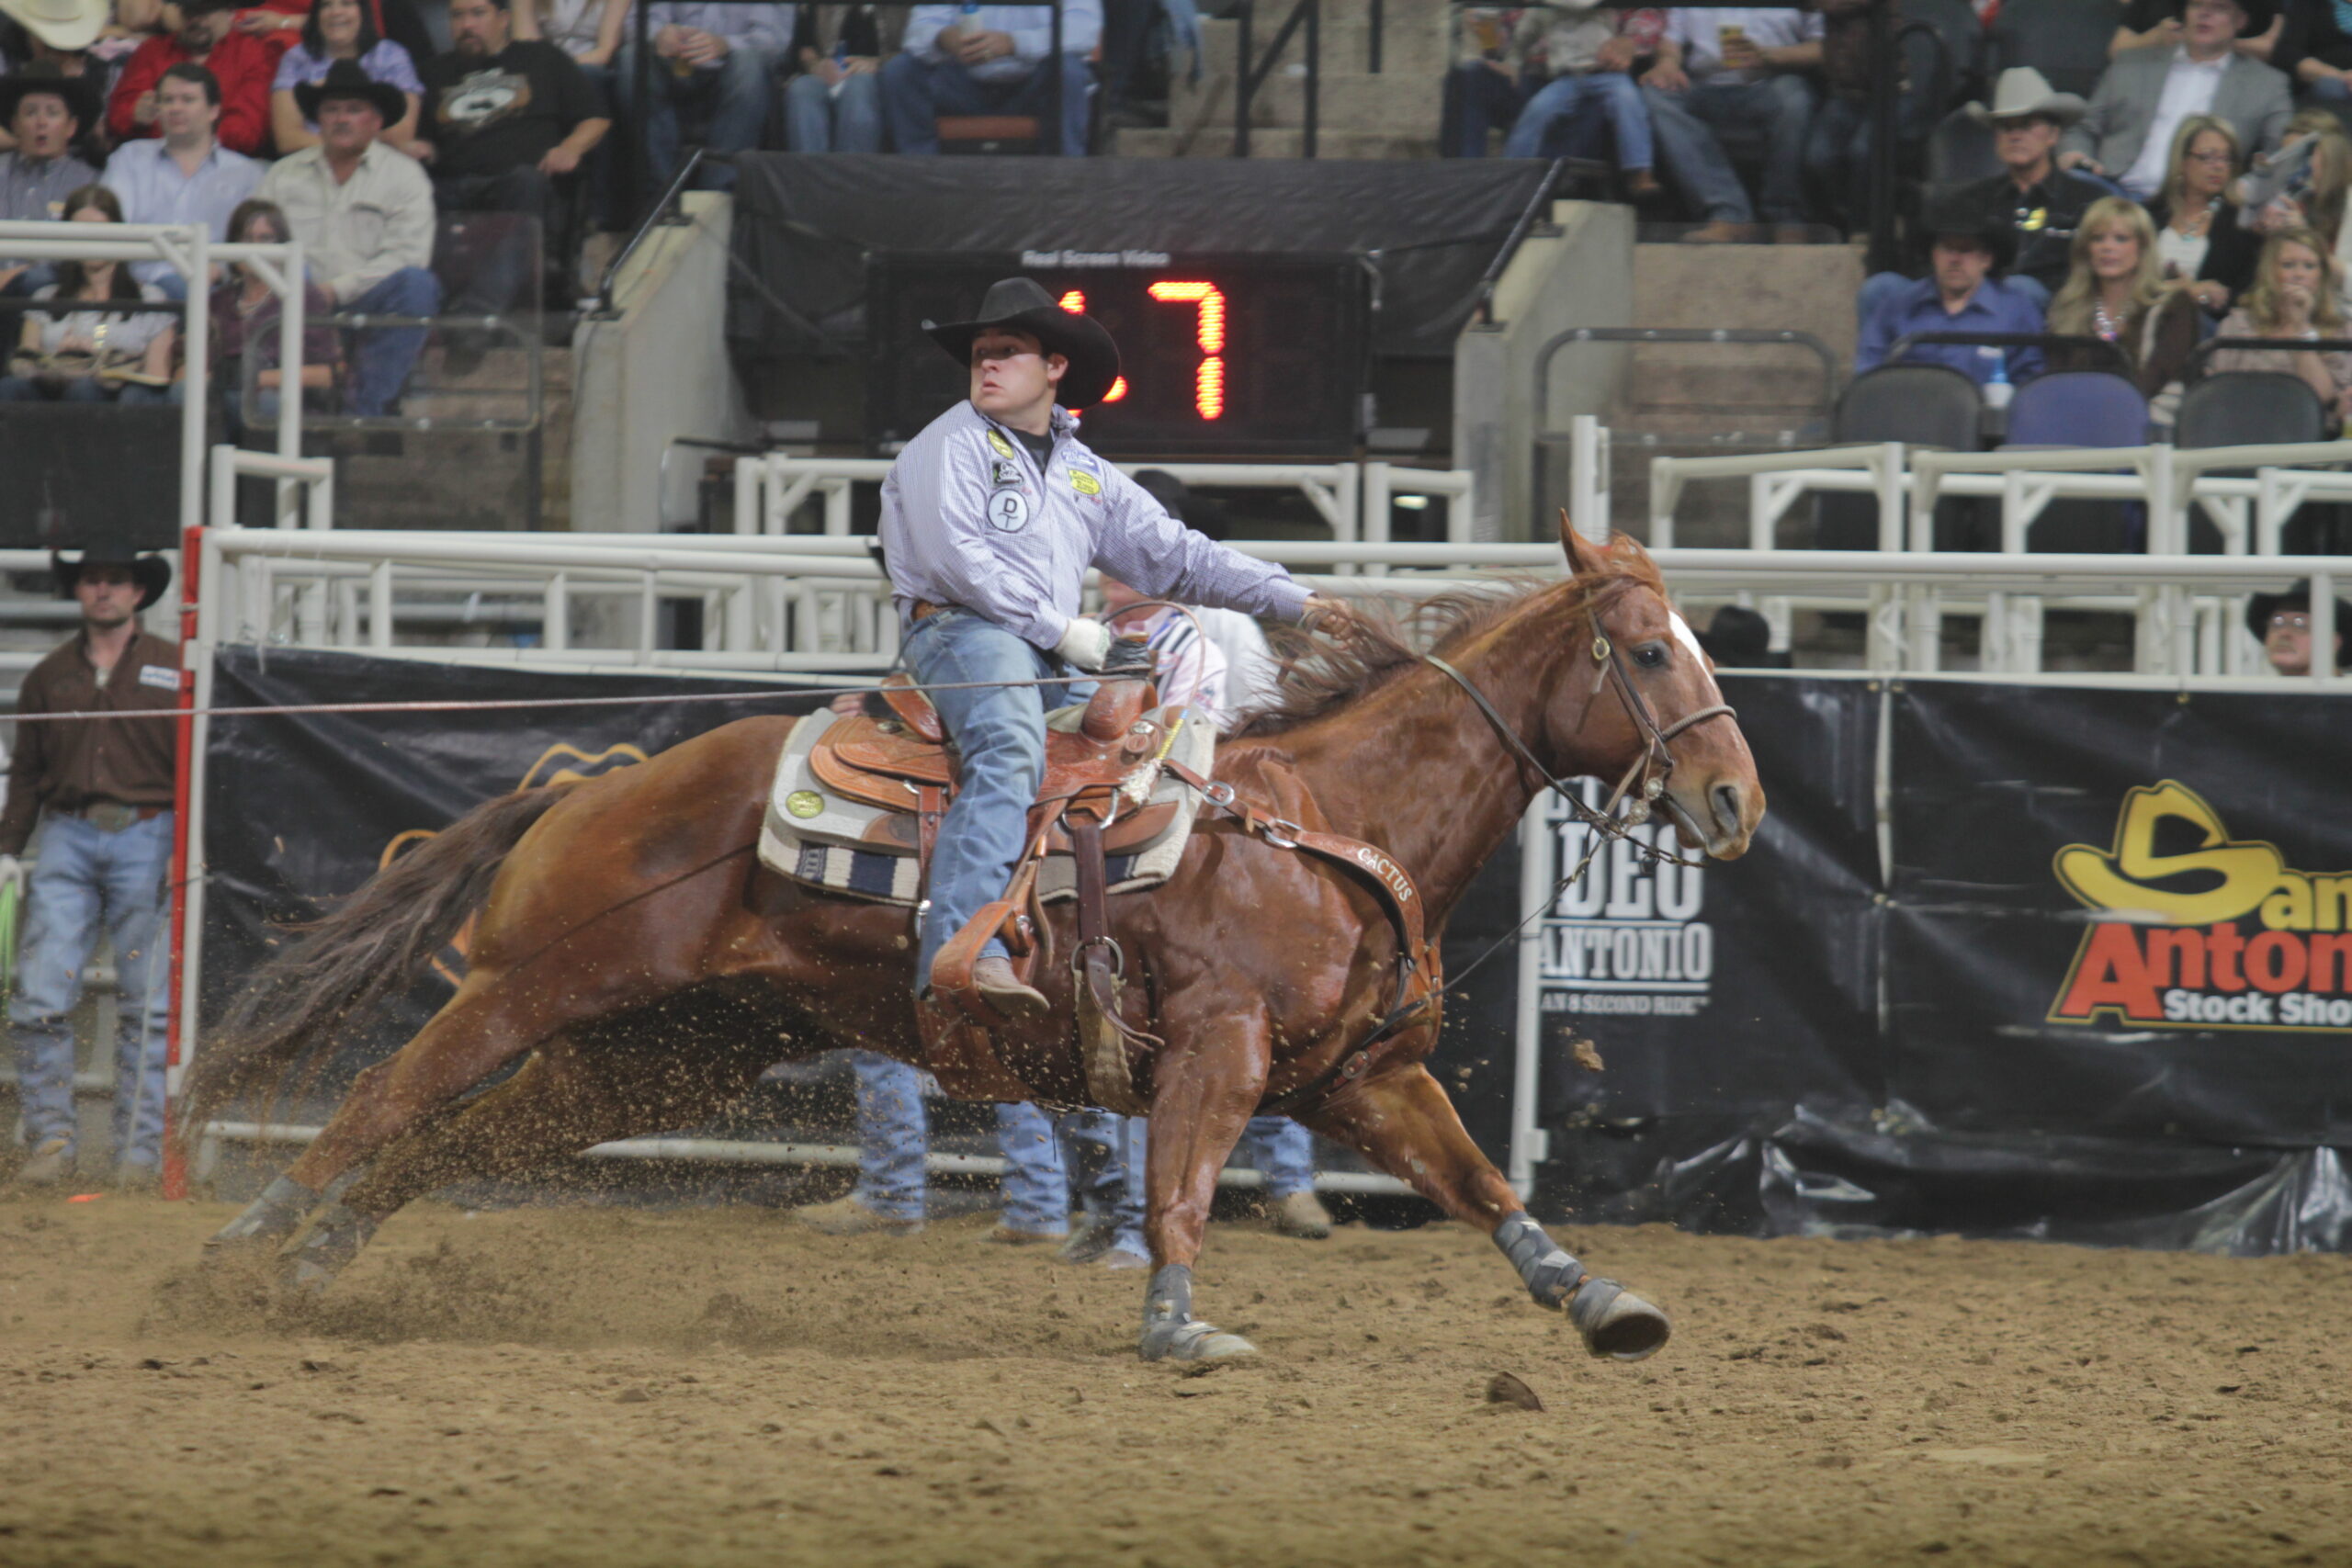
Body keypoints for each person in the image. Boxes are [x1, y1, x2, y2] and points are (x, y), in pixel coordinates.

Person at [876, 275, 1345, 1019]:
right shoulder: (947, 446)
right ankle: (959, 949)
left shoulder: (1085, 475)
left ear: (1055, 367)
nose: (987, 366)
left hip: (1045, 652)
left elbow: (1181, 556)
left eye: (1007, 351)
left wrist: (1299, 601)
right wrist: (1062, 630)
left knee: (1147, 751)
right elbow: (957, 561)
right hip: (963, 631)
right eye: (980, 356)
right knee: (1007, 747)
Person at [1, 548, 180, 1191]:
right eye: (92, 580)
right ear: (80, 590)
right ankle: (54, 1140)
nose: (103, 590)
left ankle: (136, 1156)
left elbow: (198, 761)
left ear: (136, 591)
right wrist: (6, 848)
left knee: (149, 1004)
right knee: (42, 994)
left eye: (115, 580)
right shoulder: (51, 675)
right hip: (69, 832)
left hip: (150, 831)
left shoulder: (172, 667)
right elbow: (25, 773)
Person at [258, 61, 438, 416]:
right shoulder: (282, 175)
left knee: (418, 285)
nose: (342, 118)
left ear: (375, 120)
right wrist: (300, 293)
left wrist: (334, 291)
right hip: (291, 304)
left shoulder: (405, 176)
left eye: (354, 110)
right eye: (331, 109)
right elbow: (253, 242)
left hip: (366, 304)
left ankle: (364, 414)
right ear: (318, 119)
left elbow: (408, 256)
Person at [415, 0, 607, 319]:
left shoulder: (542, 59)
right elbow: (421, 137)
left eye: (478, 13)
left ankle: (480, 310)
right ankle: (424, 306)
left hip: (520, 183)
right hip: (452, 185)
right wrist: (419, 146)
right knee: (411, 190)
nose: (467, 25)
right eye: (457, 16)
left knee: (524, 181)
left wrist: (570, 147)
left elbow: (596, 118)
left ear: (503, 18)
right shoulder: (432, 72)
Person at [2060, 0, 2290, 199]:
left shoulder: (2267, 84)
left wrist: (2246, 188)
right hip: (2114, 193)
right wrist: (2077, 157)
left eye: (2219, 7)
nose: (2204, 13)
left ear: (2240, 20)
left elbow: (2283, 155)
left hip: (2203, 209)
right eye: (2196, 4)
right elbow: (2083, 129)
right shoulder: (2130, 64)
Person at [1640, 6, 1823, 243]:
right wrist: (1667, 61)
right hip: (1705, 87)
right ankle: (1730, 215)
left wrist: (1769, 56)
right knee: (1657, 93)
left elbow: (1822, 47)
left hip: (1772, 81)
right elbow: (1671, 39)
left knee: (1794, 98)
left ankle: (1786, 219)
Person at [1943, 68, 2106, 310]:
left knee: (2022, 289)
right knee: (1882, 287)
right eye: (2006, 127)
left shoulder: (2089, 200)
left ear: (2053, 134)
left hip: (2057, 314)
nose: (2015, 135)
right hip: (1977, 309)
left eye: (2027, 125)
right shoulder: (1970, 201)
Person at [0, 184, 179, 403]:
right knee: (10, 388)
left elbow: (156, 377)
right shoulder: (45, 298)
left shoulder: (151, 300)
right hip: (52, 394)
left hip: (117, 405)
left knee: (85, 389)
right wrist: (56, 359)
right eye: (81, 231)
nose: (91, 240)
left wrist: (103, 363)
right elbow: (23, 364)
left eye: (99, 230)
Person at [101, 63, 263, 299]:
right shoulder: (129, 158)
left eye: (187, 100)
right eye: (167, 100)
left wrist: (222, 269)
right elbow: (109, 227)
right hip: (133, 287)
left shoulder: (245, 173)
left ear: (213, 111)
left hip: (214, 290)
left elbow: (255, 243)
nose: (175, 108)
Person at [612, 2, 795, 192]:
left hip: (732, 69)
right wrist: (660, 34)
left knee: (748, 64)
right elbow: (636, 24)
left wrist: (725, 44)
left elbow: (775, 42)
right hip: (674, 67)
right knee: (632, 58)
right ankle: (662, 194)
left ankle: (715, 194)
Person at [1494, 1, 1665, 203]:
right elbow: (1524, 34)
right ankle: (1512, 173)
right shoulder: (1541, 11)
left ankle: (1640, 170)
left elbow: (1581, 4)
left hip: (1606, 72)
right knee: (1537, 109)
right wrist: (1513, 61)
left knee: (1629, 101)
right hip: (1566, 77)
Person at [880, 2, 1100, 158]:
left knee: (1068, 71)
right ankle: (919, 175)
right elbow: (919, 28)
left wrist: (1014, 43)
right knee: (901, 70)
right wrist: (942, 37)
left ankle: (1064, 181)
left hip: (1034, 85)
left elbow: (1083, 32)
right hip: (963, 85)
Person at [1855, 204, 2046, 383]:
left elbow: (2031, 382)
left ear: (1986, 260)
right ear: (1933, 255)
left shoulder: (2016, 310)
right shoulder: (1897, 306)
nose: (1955, 259)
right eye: (1947, 248)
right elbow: (1869, 372)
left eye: (1965, 249)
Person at [2044, 194, 2202, 400]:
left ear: (2143, 248)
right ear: (2086, 249)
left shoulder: (2173, 305)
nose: (2107, 248)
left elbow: (2156, 378)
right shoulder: (2066, 306)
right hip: (2076, 419)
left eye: (2120, 238)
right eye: (2097, 238)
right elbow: (2056, 381)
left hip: (2145, 420)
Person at [209, 196, 338, 439]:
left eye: (265, 239)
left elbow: (328, 373)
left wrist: (257, 379)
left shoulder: (304, 297)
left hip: (282, 399)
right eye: (246, 239)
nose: (255, 248)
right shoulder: (218, 301)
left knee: (259, 403)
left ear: (281, 244)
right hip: (222, 394)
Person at [2207, 227, 2352, 421]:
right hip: (2242, 425)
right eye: (2288, 265)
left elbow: (2320, 397)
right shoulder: (2238, 325)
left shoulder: (2339, 330)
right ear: (2269, 272)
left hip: (2310, 436)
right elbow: (2219, 391)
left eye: (2309, 266)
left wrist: (2301, 328)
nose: (2299, 274)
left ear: (2321, 276)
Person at [107, 0, 274, 156]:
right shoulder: (153, 50)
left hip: (225, 163)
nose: (197, 21)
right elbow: (118, 116)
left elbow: (246, 133)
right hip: (151, 159)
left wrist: (174, 131)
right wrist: (136, 116)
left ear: (229, 11)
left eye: (206, 12)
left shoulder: (251, 52)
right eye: (190, 11)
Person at [270, 0, 424, 154]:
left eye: (347, 3)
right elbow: (288, 139)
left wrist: (344, 148)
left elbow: (400, 134)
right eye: (326, 5)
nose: (336, 12)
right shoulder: (296, 58)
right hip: (311, 163)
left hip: (378, 165)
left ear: (363, 11)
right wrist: (349, 148)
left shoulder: (391, 55)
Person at [0, 66, 100, 297]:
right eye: (31, 112)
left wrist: (16, 275)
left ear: (71, 127)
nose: (41, 122)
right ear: (14, 124)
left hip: (56, 300)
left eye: (53, 113)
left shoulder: (88, 183)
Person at [2147, 115, 2258, 318]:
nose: (2219, 166)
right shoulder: (2149, 214)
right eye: (2208, 157)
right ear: (2182, 161)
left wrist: (2209, 297)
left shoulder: (2241, 225)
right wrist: (2184, 290)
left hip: (2206, 327)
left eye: (2226, 158)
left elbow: (2245, 295)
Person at [785, 4, 893, 152]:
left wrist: (877, 63)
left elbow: (913, 50)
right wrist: (814, 64)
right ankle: (809, 172)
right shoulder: (812, 8)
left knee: (858, 88)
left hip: (876, 75)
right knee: (802, 89)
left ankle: (852, 172)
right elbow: (802, 49)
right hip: (823, 75)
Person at [2245, 579, 2348, 674]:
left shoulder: (2345, 692)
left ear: (2334, 642)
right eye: (2277, 622)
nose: (2284, 633)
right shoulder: (2251, 691)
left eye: (2300, 624)